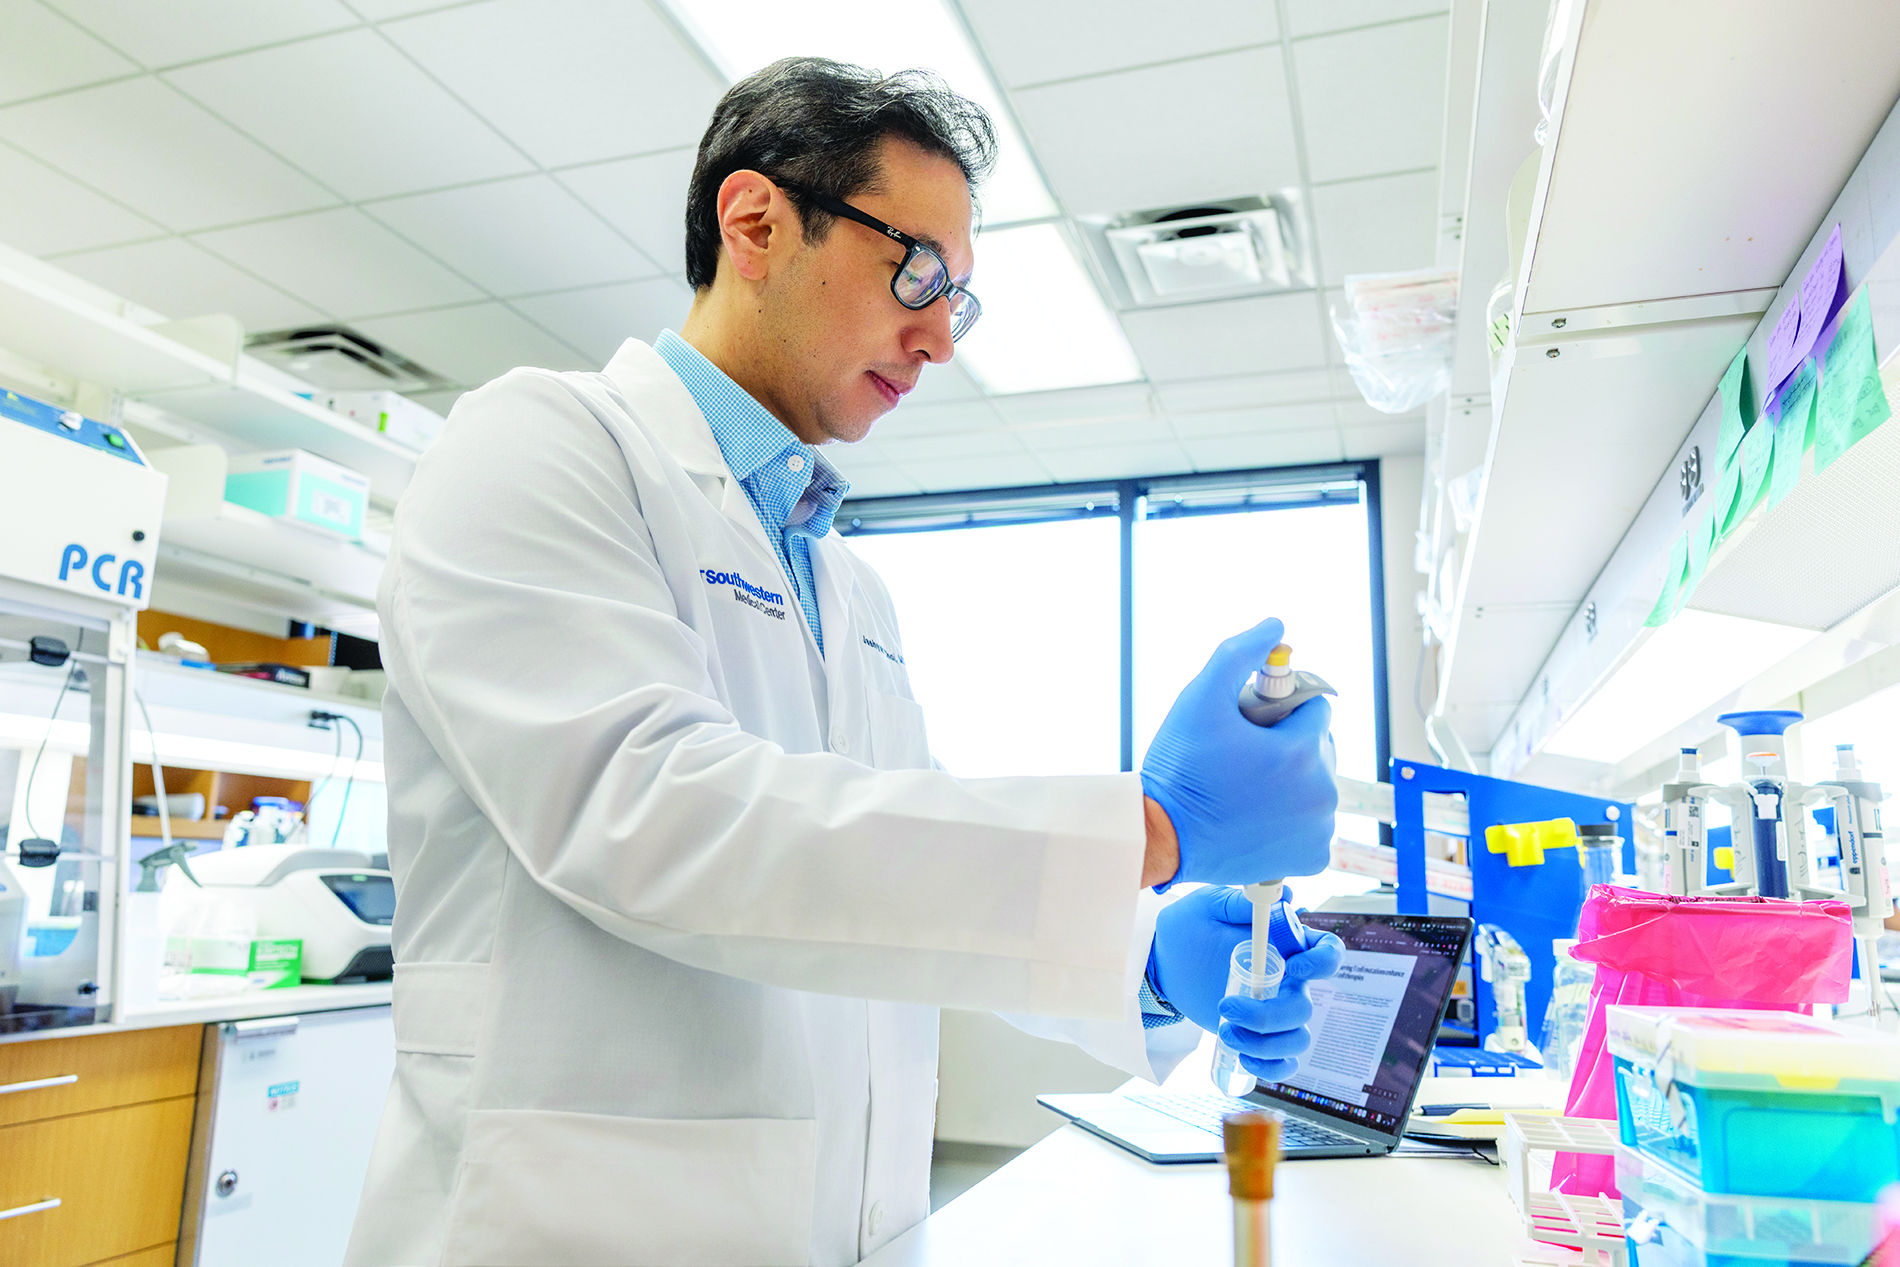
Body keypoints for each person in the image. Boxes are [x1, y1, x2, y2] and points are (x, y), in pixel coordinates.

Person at [343, 56, 1340, 1267]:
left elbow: (880, 876)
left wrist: (1147, 959)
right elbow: (653, 818)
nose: (937, 338)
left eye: (958, 299)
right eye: (915, 269)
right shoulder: (541, 445)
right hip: (573, 1227)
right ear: (756, 223)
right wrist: (1147, 832)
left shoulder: (846, 582)